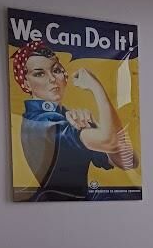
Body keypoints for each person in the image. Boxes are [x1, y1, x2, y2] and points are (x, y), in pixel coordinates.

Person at [12, 40, 138, 201]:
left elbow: (128, 161)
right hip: (55, 207)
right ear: (26, 83)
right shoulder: (41, 122)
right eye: (39, 74)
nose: (52, 78)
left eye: (56, 70)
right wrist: (96, 87)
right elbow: (110, 141)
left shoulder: (65, 116)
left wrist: (94, 125)